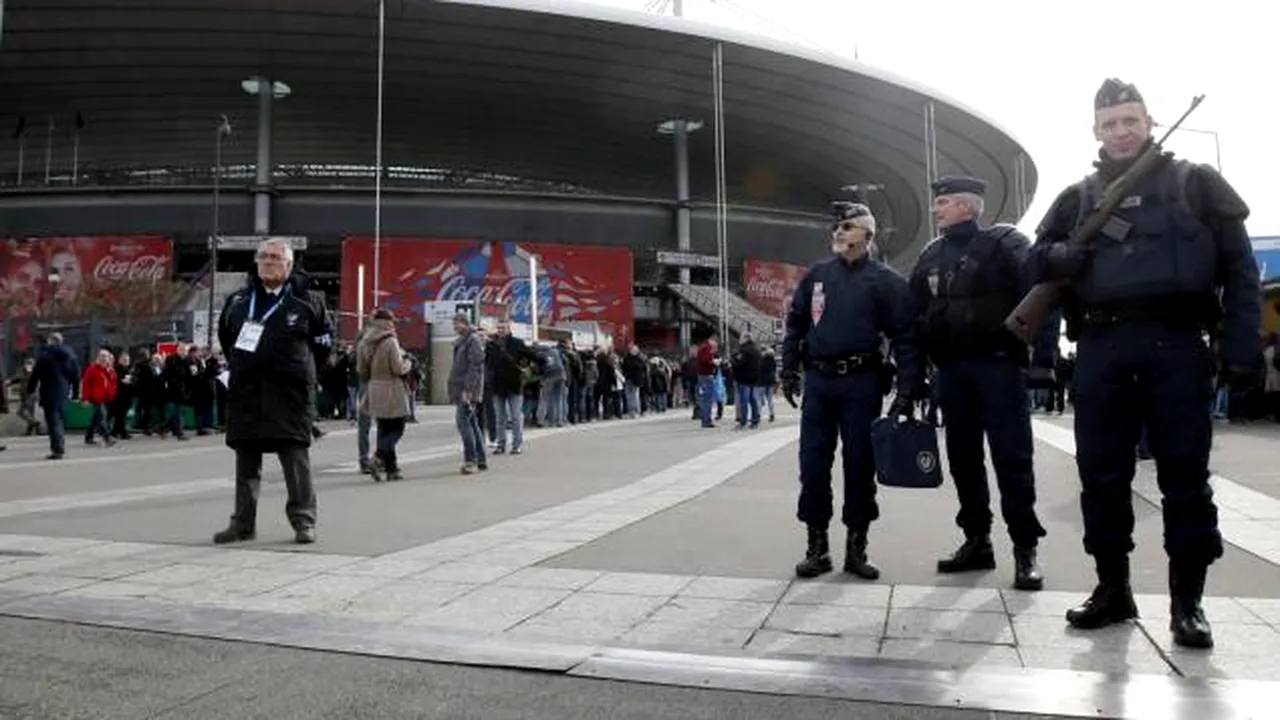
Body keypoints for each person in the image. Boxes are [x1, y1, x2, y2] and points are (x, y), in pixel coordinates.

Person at [1028, 78, 1261, 649]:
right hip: (1102, 347)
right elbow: (1036, 262)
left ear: (1150, 121)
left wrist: (1239, 352)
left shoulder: (1196, 184)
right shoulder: (1077, 197)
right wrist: (1057, 256)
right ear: (1095, 131)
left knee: (1185, 477)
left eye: (1130, 120)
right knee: (1101, 476)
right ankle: (1113, 590)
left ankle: (1189, 605)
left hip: (1177, 343)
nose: (1121, 131)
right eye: (1110, 123)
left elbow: (1241, 272)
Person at [908, 175, 1047, 591]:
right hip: (951, 372)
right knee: (963, 460)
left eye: (945, 202)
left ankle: (1025, 550)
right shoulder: (931, 255)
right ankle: (977, 540)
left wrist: (1042, 362)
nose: (937, 208)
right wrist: (914, 377)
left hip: (998, 367)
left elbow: (1040, 296)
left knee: (1012, 459)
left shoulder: (1005, 244)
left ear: (969, 207)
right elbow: (913, 319)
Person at [782, 201, 923, 580]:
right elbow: (795, 324)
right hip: (820, 383)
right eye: (835, 228)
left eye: (846, 226)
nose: (838, 233)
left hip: (862, 382)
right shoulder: (816, 276)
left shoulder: (886, 281)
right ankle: (817, 547)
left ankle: (856, 548)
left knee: (859, 465)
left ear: (868, 234)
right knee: (812, 465)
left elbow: (906, 338)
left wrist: (908, 390)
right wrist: (788, 369)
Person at [213, 238, 334, 545]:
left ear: (289, 265)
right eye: (264, 257)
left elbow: (323, 347)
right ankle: (242, 524)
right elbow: (228, 341)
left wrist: (300, 370)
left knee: (295, 461)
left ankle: (304, 522)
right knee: (246, 463)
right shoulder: (238, 302)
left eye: (276, 258)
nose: (268, 262)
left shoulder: (307, 302)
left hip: (290, 395)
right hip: (247, 393)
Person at [357, 308, 412, 482]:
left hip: (374, 387)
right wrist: (408, 363)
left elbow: (361, 369)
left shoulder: (365, 340)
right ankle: (378, 457)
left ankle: (392, 470)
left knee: (384, 428)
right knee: (398, 427)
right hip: (392, 388)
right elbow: (397, 368)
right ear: (388, 322)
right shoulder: (390, 340)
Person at [26, 332, 80, 460]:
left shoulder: (45, 356)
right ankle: (60, 446)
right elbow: (76, 376)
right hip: (64, 392)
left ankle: (57, 449)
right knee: (59, 419)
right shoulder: (71, 356)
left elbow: (35, 375)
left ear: (51, 341)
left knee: (53, 421)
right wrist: (76, 393)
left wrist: (30, 390)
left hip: (49, 392)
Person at [449, 312, 488, 475]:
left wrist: (468, 390)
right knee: (472, 424)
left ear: (465, 323)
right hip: (462, 387)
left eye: (457, 323)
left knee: (463, 423)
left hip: (467, 389)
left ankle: (470, 460)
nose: (455, 327)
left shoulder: (472, 340)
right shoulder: (463, 341)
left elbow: (475, 366)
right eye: (454, 323)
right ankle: (481, 458)